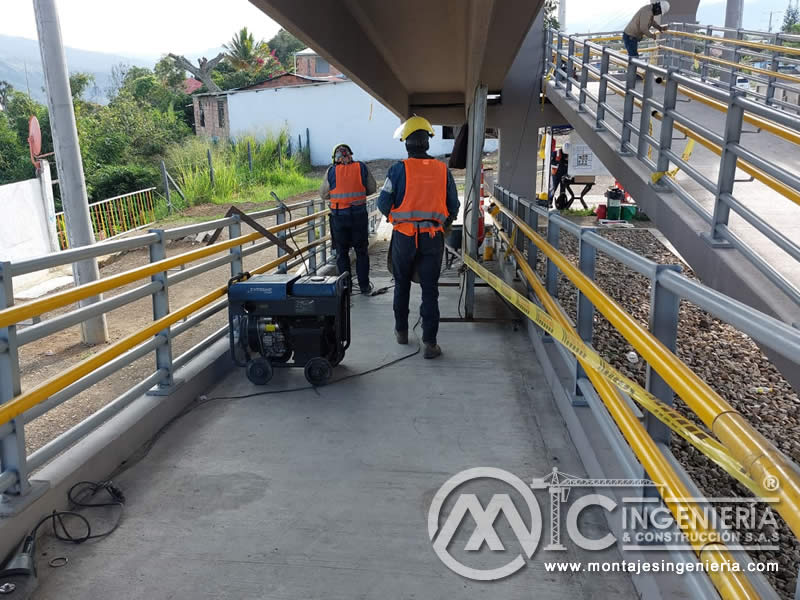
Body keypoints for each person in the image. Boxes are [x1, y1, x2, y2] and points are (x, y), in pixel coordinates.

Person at [377, 116, 459, 359]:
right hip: (432, 237)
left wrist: (397, 218)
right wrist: (442, 223)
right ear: (427, 143)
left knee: (401, 284)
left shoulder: (397, 170)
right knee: (429, 289)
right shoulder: (442, 170)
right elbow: (453, 206)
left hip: (404, 237)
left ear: (407, 144)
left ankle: (402, 331)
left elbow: (383, 203)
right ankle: (430, 343)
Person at [320, 143, 377, 293]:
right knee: (361, 251)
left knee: (342, 253)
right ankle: (364, 286)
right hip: (359, 216)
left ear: (335, 158)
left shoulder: (331, 171)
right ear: (350, 155)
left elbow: (324, 194)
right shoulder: (361, 167)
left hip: (339, 218)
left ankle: (346, 287)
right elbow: (372, 188)